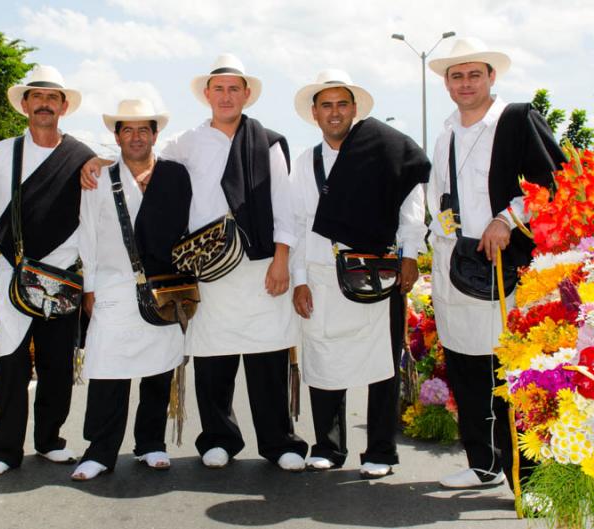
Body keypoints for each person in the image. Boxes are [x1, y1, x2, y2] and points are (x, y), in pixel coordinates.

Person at [83, 53, 308, 471]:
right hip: (208, 268)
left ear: (246, 95)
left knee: (267, 357)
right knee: (213, 359)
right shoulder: (186, 142)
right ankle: (218, 438)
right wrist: (97, 162)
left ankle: (279, 441)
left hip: (261, 264)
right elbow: (140, 157)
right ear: (207, 95)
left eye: (234, 89)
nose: (226, 96)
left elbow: (285, 206)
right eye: (218, 89)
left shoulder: (270, 142)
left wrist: (282, 261)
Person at [425, 38, 565, 489]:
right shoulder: (446, 130)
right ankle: (483, 464)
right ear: (446, 84)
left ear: (491, 77)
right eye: (456, 76)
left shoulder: (517, 119)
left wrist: (507, 217)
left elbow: (555, 180)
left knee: (513, 373)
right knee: (466, 369)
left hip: (509, 267)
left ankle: (530, 478)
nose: (465, 84)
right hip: (458, 266)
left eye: (474, 75)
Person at [289, 70, 430, 478]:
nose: (335, 113)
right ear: (314, 113)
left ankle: (381, 451)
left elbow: (410, 206)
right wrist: (298, 278)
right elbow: (297, 224)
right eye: (326, 105)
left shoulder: (384, 153)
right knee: (322, 359)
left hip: (376, 272)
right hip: (319, 273)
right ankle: (328, 447)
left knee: (382, 363)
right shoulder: (305, 162)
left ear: (354, 109)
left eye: (342, 104)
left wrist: (409, 255)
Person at [0, 66, 96, 477]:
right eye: (36, 96)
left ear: (64, 106)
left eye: (52, 97)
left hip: (63, 276)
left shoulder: (82, 157)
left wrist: (90, 282)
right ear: (24, 104)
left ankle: (50, 440)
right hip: (14, 271)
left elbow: (92, 224)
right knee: (12, 361)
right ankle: (4, 449)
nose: (44, 104)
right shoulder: (4, 153)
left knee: (58, 363)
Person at [71, 99, 191, 481]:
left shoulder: (175, 175)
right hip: (112, 287)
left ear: (156, 135)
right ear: (116, 135)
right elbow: (86, 233)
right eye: (128, 130)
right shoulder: (98, 178)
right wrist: (89, 287)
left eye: (144, 130)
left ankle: (151, 443)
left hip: (163, 288)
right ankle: (100, 451)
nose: (136, 137)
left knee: (158, 371)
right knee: (108, 371)